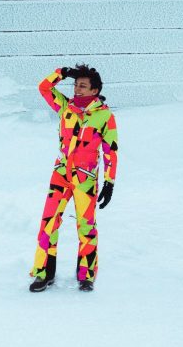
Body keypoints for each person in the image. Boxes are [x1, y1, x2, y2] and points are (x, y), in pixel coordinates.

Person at [29, 65, 118, 293]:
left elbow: (111, 151)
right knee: (48, 223)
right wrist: (62, 72)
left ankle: (86, 276)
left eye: (82, 85)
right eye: (75, 84)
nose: (77, 89)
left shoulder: (104, 116)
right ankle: (43, 273)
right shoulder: (65, 107)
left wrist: (109, 182)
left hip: (85, 179)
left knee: (86, 227)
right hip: (61, 174)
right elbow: (44, 87)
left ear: (94, 90)